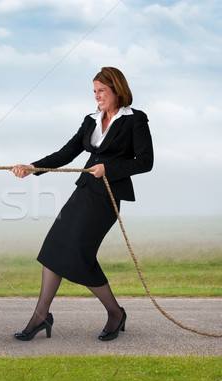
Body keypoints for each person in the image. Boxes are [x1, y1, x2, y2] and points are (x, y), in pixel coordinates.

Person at [11, 67, 153, 341]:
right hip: (84, 192)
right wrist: (32, 167)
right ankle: (41, 316)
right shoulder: (91, 120)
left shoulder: (135, 120)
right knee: (54, 247)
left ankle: (115, 313)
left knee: (79, 254)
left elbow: (145, 162)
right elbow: (68, 152)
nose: (97, 96)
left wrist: (108, 169)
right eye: (95, 91)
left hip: (107, 198)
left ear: (117, 90)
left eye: (102, 91)